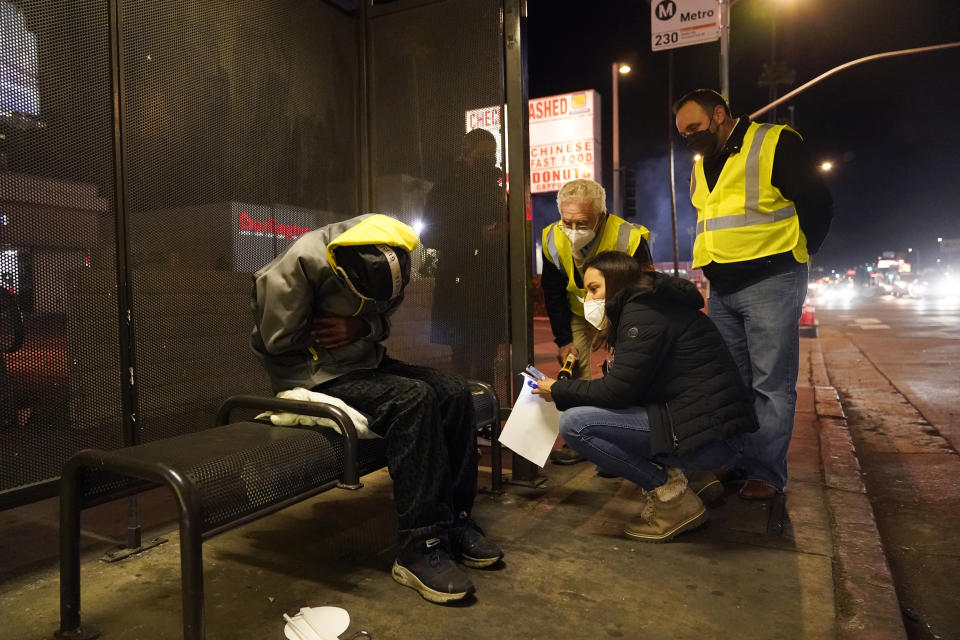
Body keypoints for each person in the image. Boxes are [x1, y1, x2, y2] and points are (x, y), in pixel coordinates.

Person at [250, 213, 503, 604]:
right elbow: (274, 343)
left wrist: (362, 327)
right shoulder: (296, 267)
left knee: (453, 391)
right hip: (314, 373)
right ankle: (418, 547)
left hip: (366, 361)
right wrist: (316, 326)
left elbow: (382, 323)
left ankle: (455, 522)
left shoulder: (394, 251)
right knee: (413, 399)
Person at [532, 251, 759, 542]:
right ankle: (694, 479)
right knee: (601, 424)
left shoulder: (642, 313)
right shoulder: (649, 305)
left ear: (615, 284)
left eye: (594, 289)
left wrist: (559, 390)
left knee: (576, 424)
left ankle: (673, 499)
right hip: (706, 429)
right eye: (586, 291)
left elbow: (616, 392)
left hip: (710, 437)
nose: (588, 300)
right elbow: (631, 385)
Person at [674, 89, 834, 499]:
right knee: (733, 384)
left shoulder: (772, 142)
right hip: (722, 287)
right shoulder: (700, 166)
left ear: (721, 114)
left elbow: (817, 202)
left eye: (694, 127)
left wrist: (801, 253)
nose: (689, 136)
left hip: (772, 280)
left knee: (771, 385)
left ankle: (766, 473)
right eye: (683, 132)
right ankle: (737, 461)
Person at [540, 178, 652, 464]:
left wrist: (610, 326)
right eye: (568, 222)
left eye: (583, 223)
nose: (574, 231)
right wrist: (563, 340)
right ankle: (582, 439)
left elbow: (643, 294)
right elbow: (553, 293)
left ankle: (624, 441)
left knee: (626, 372)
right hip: (577, 312)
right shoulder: (552, 238)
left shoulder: (628, 238)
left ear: (601, 216)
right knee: (575, 368)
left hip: (622, 313)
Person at [423, 128, 506, 383]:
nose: (488, 163)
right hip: (459, 282)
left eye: (491, 157)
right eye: (482, 157)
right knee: (461, 360)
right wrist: (476, 237)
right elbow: (429, 236)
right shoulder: (446, 189)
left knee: (486, 362)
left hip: (490, 284)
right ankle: (465, 415)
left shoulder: (497, 190)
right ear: (465, 154)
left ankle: (487, 416)